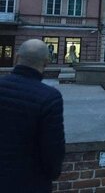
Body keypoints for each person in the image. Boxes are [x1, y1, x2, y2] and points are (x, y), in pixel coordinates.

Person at [0, 39, 66, 192]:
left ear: (16, 58)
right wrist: (51, 174)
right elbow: (53, 149)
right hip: (29, 182)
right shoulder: (49, 97)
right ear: (46, 63)